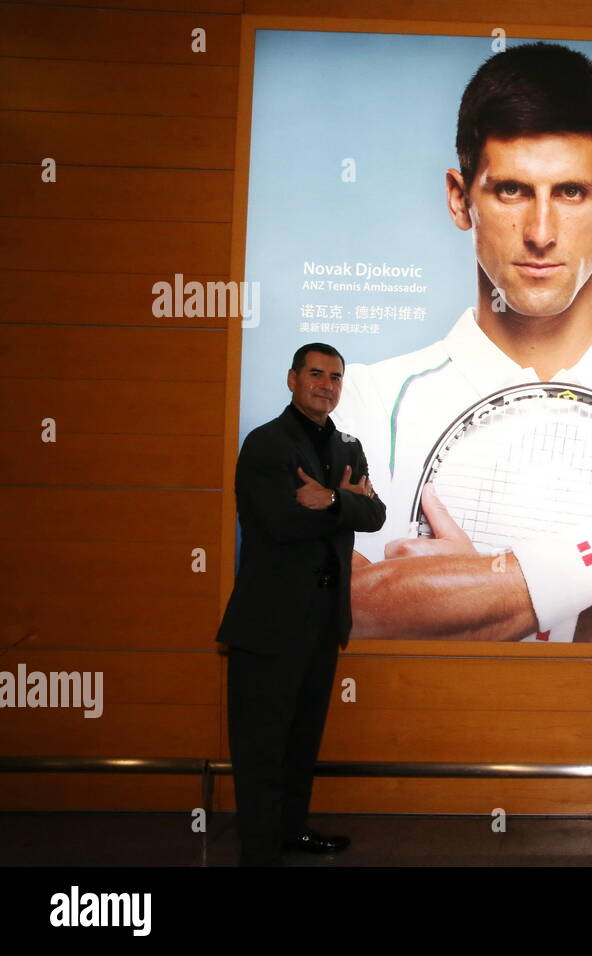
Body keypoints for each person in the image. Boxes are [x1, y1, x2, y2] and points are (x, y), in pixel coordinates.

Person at [332, 42, 592, 644]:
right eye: (511, 191)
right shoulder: (364, 403)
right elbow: (340, 610)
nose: (540, 233)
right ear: (460, 199)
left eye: (570, 193)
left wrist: (472, 591)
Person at [216, 343, 386, 866]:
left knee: (302, 737)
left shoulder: (348, 446)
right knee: (262, 744)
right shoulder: (267, 444)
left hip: (323, 619)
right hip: (270, 622)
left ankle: (291, 831)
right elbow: (280, 523)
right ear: (292, 379)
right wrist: (343, 507)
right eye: (316, 374)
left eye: (336, 377)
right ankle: (261, 850)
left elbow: (375, 514)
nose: (326, 385)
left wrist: (331, 499)